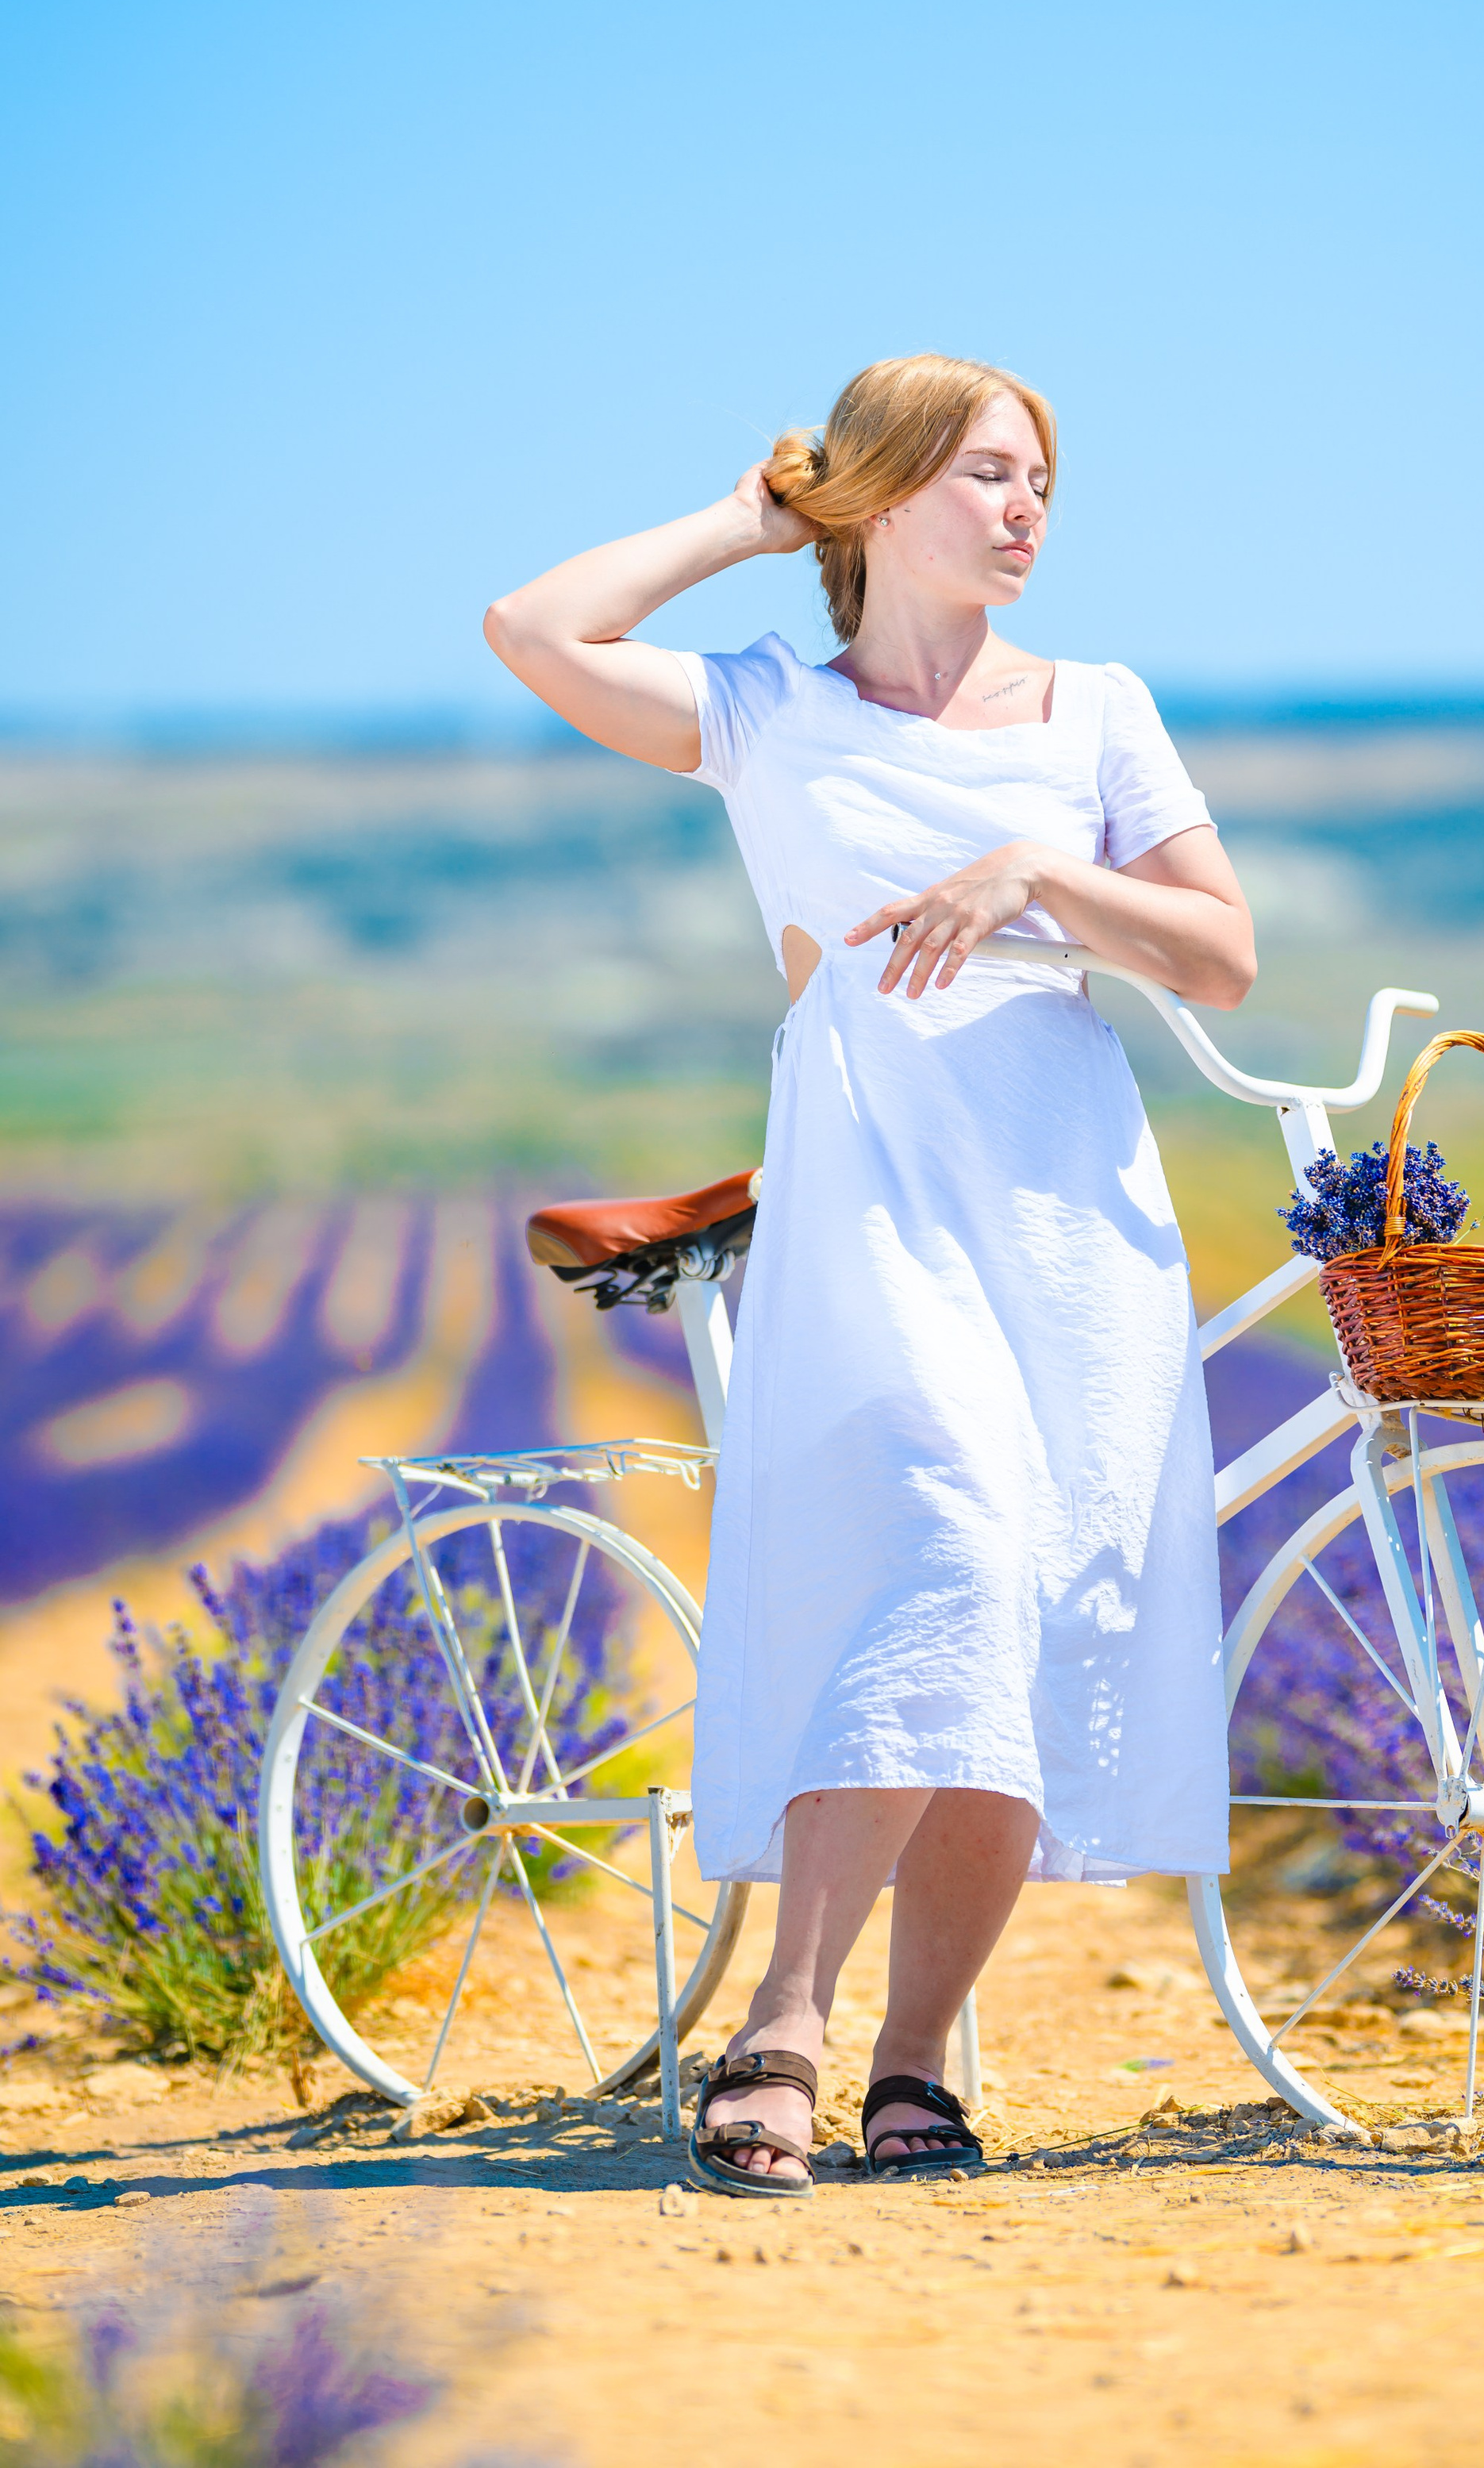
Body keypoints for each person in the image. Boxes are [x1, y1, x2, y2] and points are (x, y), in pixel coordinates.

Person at [484, 353, 1252, 2194]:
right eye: (984, 473)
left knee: (1037, 1594)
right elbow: (532, 626)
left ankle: (913, 2067)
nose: (1023, 509)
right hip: (872, 1191)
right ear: (887, 493)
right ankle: (785, 2022)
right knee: (953, 1538)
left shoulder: (1097, 713)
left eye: (1039, 481)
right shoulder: (763, 712)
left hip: (1063, 1198)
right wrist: (757, 520)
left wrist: (1035, 880)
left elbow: (1218, 953)